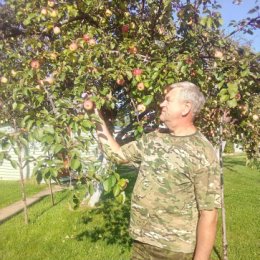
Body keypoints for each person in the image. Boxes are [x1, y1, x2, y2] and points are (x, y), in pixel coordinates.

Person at [84, 81, 221, 260]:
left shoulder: (203, 152)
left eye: (168, 100)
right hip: (141, 244)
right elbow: (117, 154)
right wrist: (94, 115)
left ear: (186, 108)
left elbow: (209, 214)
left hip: (174, 251)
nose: (161, 104)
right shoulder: (153, 140)